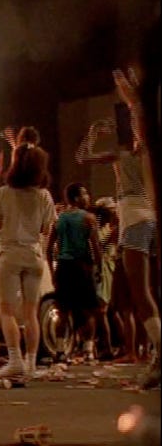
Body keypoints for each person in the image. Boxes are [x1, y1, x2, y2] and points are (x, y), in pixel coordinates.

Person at [77, 96, 160, 388]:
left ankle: (159, 356)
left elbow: (82, 156)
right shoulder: (149, 154)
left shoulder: (122, 155)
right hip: (149, 219)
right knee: (147, 291)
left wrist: (93, 133)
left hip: (135, 219)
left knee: (140, 293)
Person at [0, 144, 55, 381]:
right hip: (34, 255)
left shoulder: (3, 193)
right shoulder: (44, 196)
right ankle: (30, 363)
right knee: (31, 313)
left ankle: (15, 360)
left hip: (10, 254)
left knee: (8, 311)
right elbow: (47, 228)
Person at [46, 183, 103, 363]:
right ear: (76, 198)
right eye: (85, 193)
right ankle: (88, 350)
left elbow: (48, 248)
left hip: (63, 267)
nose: (88, 197)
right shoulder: (89, 218)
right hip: (82, 267)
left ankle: (61, 350)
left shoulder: (59, 219)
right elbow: (95, 247)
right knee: (89, 310)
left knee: (62, 311)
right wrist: (98, 268)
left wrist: (52, 270)